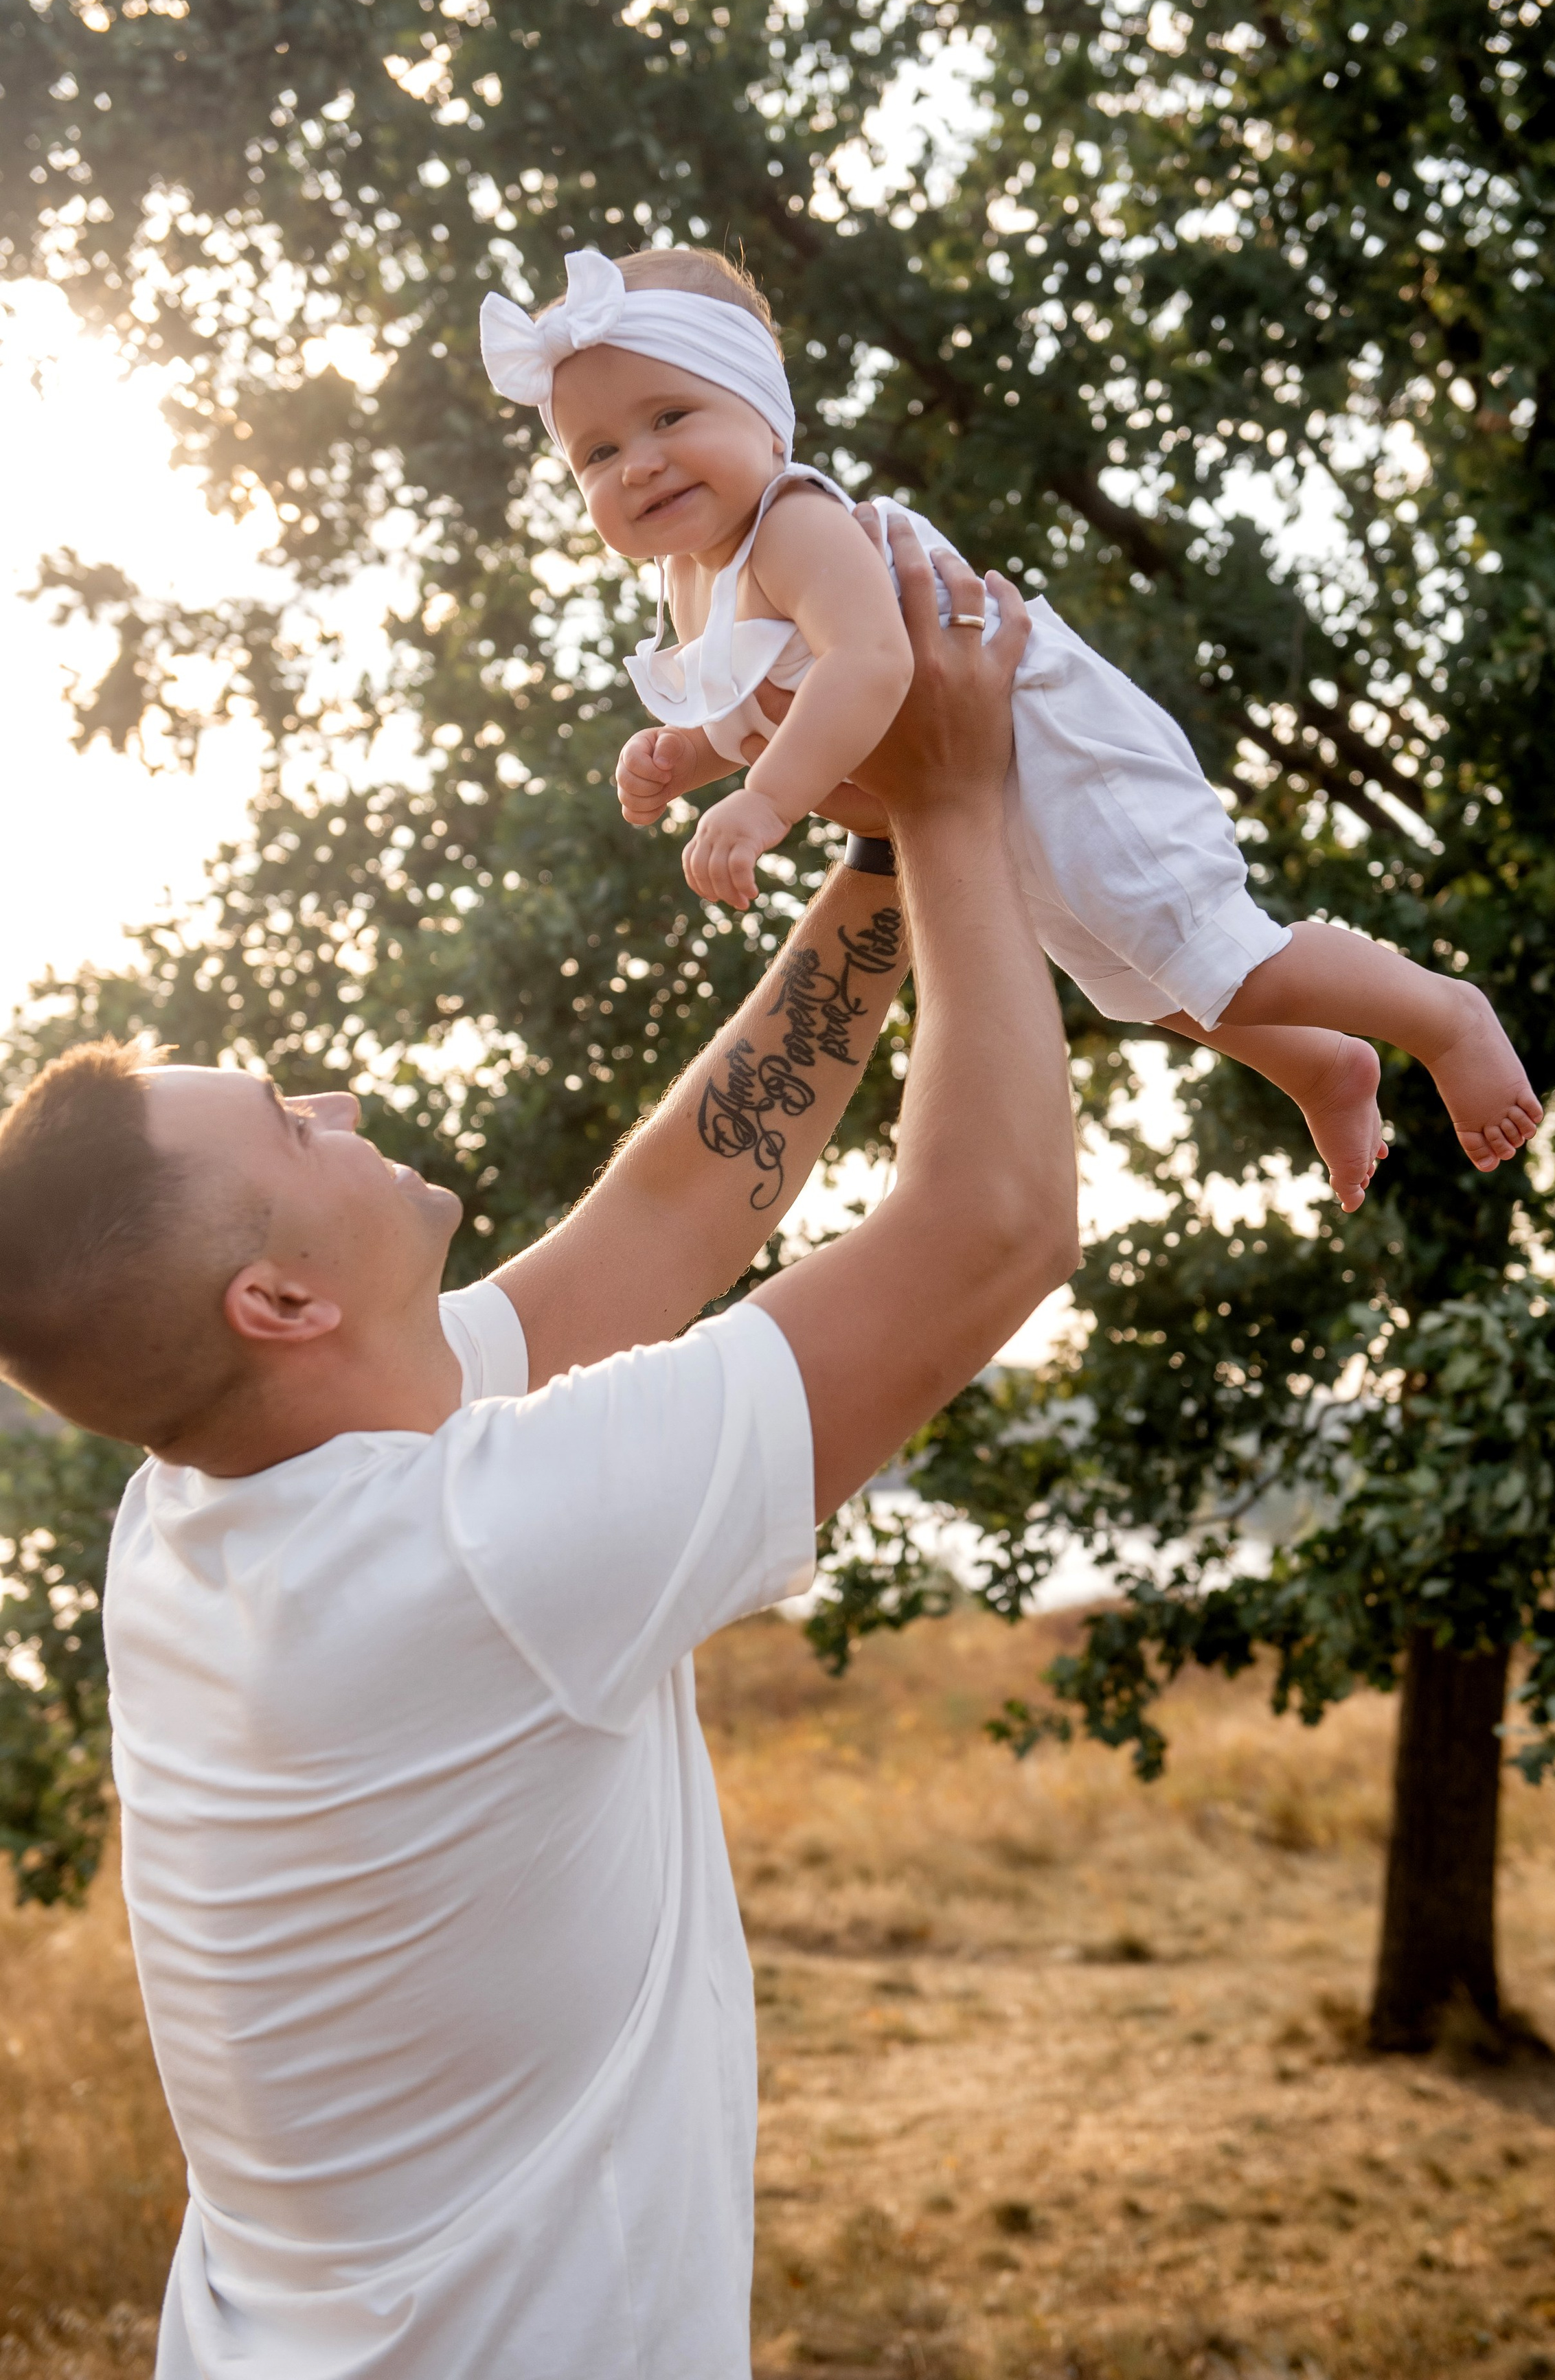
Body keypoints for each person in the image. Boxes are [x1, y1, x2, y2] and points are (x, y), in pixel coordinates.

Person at [0, 527, 1078, 2380]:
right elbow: (990, 1225)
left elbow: (671, 1216)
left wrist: (880, 839)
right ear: (276, 1298)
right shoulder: (477, 1552)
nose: (332, 1096)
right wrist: (970, 805)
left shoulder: (209, 1501)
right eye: (285, 1116)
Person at [480, 244, 1544, 1216]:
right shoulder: (694, 585)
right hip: (987, 795)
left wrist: (761, 800)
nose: (638, 465)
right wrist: (693, 752)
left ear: (765, 419)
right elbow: (771, 703)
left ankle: (1443, 1014)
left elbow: (872, 664)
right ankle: (1317, 1063)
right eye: (598, 451)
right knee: (1132, 979)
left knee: (1198, 938)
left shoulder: (796, 525)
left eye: (670, 418)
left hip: (1062, 755)